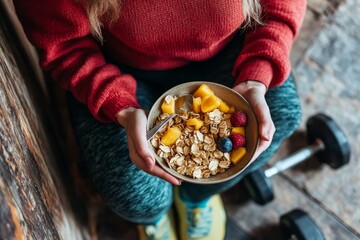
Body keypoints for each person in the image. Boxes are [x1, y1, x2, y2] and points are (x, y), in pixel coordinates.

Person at [14, 0, 306, 239]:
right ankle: (154, 218)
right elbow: (64, 46)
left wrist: (257, 74)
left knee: (279, 114)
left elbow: (281, 8)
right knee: (135, 195)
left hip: (229, 53)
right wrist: (121, 108)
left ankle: (195, 198)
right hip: (119, 71)